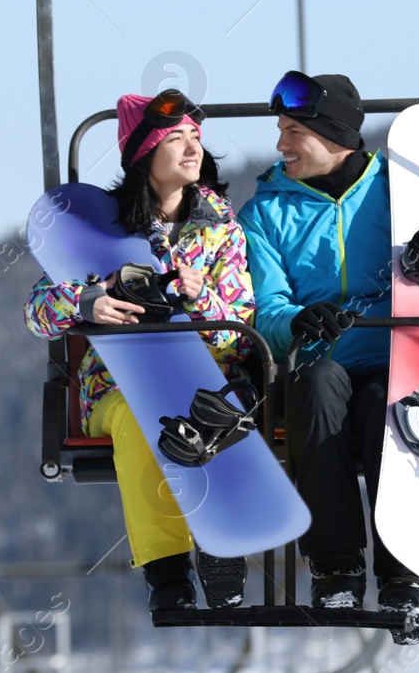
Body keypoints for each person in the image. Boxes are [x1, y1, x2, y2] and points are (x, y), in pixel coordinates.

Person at [238, 72, 419, 642]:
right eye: (281, 131)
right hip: (318, 363)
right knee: (318, 386)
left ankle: (402, 574)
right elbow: (265, 310)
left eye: (294, 132)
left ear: (335, 135)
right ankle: (335, 565)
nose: (282, 145)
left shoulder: (402, 190)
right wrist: (295, 321)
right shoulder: (266, 213)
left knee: (385, 405)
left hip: (401, 362)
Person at [25, 90, 254, 614]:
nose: (192, 148)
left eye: (196, 136)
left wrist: (202, 302)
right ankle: (168, 574)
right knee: (139, 419)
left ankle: (220, 550)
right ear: (143, 154)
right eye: (175, 138)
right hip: (120, 383)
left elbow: (239, 327)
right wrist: (87, 300)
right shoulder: (99, 230)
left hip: (200, 376)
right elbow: (35, 313)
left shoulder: (220, 228)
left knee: (217, 414)